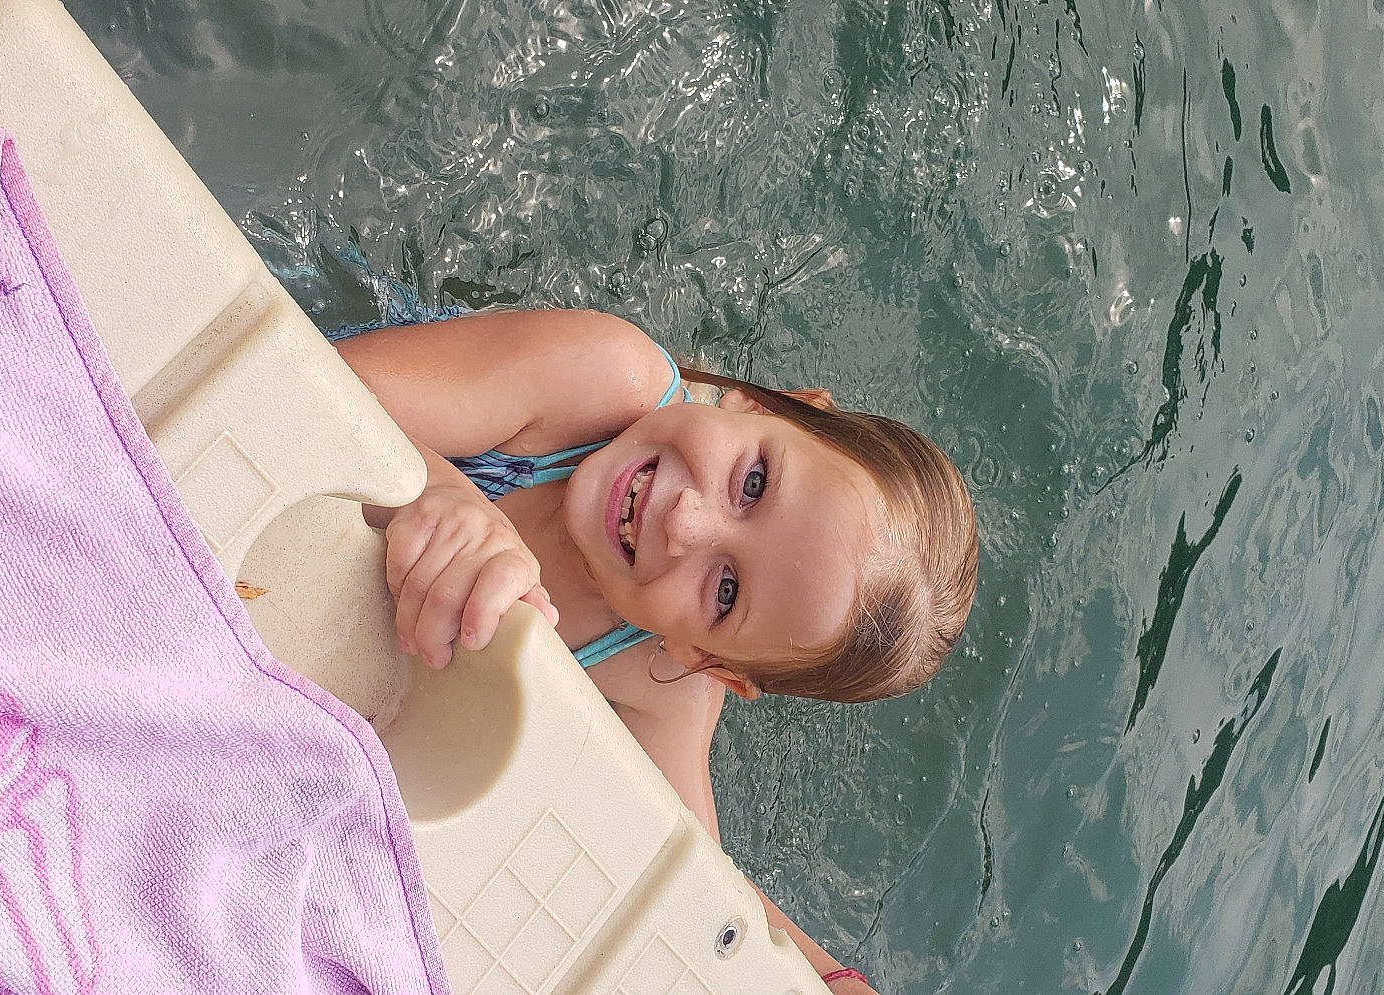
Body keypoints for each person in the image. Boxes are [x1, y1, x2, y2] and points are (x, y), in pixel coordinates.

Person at [334, 306, 978, 992]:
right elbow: (327, 383)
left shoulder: (660, 671)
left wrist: (831, 978)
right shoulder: (604, 377)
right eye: (754, 482)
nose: (685, 520)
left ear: (708, 659)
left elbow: (691, 882)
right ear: (768, 404)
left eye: (726, 591)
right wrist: (439, 495)